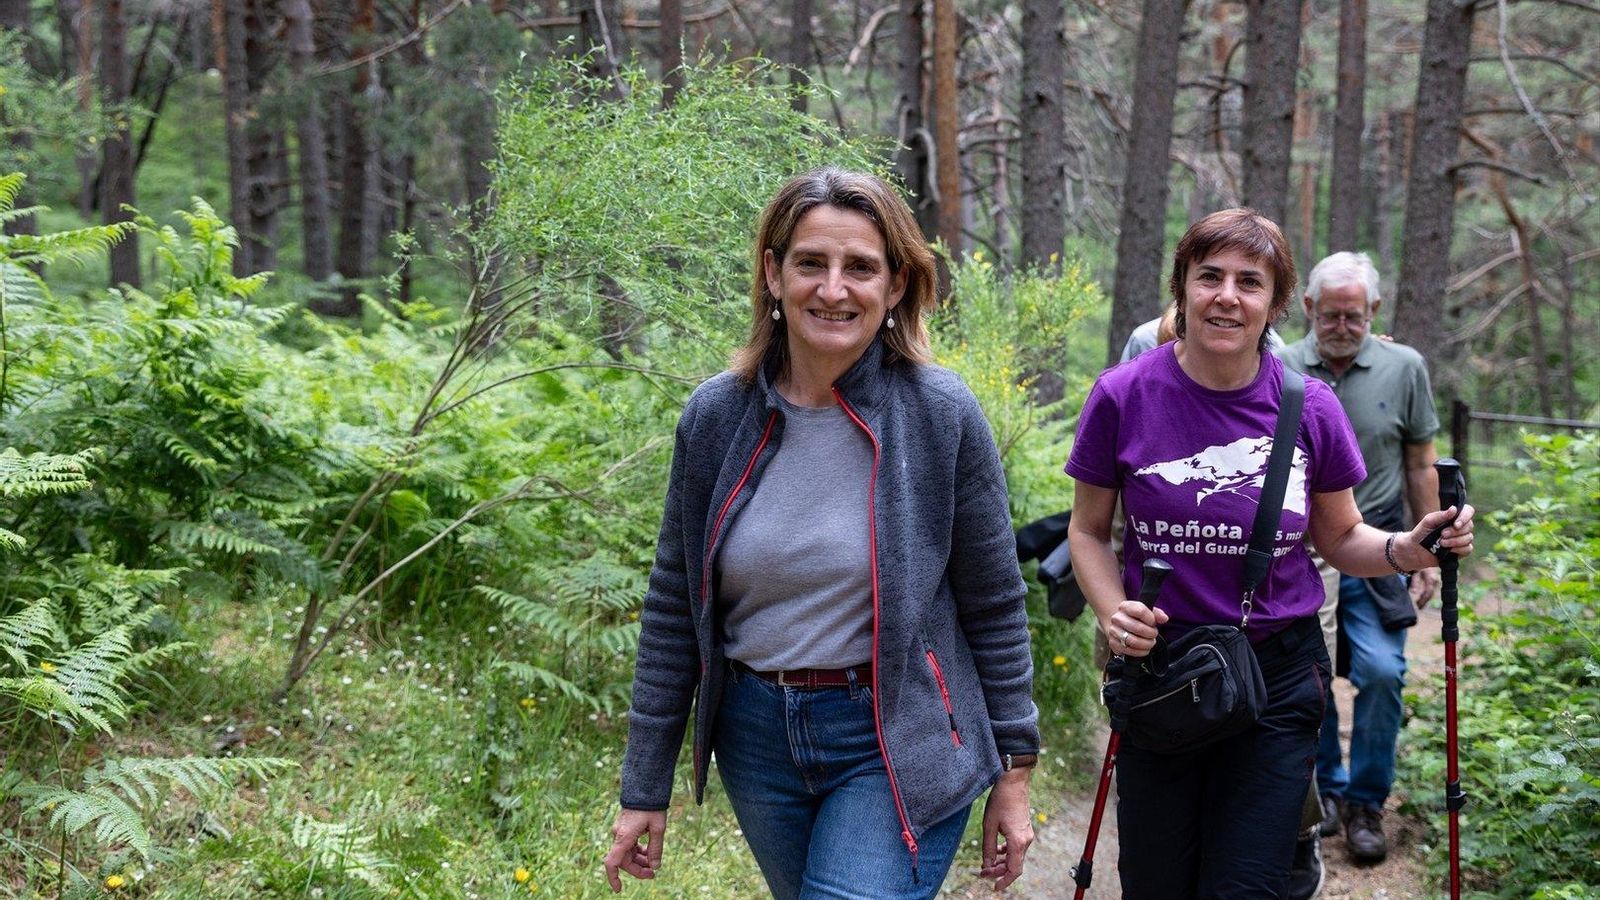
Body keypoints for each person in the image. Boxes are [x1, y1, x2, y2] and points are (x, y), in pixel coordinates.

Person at [603, 167, 1040, 899]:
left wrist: (1015, 773)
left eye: (860, 268)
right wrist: (644, 786)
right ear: (773, 274)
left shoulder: (939, 416)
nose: (833, 289)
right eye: (811, 263)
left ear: (896, 286)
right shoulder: (716, 418)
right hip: (757, 740)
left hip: (897, 737)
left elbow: (995, 603)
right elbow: (675, 606)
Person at [1065, 208, 1474, 898]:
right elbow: (1089, 531)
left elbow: (1341, 538)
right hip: (1162, 673)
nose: (1227, 295)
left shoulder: (1310, 408)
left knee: (1247, 886)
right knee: (1157, 883)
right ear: (1183, 289)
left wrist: (1408, 547)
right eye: (1210, 277)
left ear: (1275, 303)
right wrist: (1113, 613)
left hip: (1276, 680)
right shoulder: (1122, 395)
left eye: (1249, 282)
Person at [1277, 251, 1442, 865]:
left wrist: (1425, 559)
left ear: (1374, 311)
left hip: (1382, 549)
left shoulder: (1404, 368)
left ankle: (1366, 802)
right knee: (1308, 681)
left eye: (1355, 315)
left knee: (1380, 673)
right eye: (1331, 315)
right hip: (1301, 553)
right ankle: (1327, 794)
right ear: (1311, 309)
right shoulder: (1282, 366)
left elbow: (1420, 461)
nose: (1342, 326)